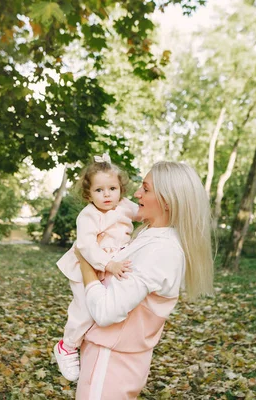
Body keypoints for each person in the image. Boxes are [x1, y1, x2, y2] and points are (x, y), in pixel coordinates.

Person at [74, 161, 214, 399]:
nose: (136, 193)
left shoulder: (160, 250)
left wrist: (85, 263)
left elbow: (107, 312)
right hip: (114, 356)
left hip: (112, 362)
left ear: (167, 200)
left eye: (146, 189)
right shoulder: (149, 235)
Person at [53, 153, 140, 382]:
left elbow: (144, 213)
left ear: (120, 188)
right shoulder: (88, 216)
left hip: (114, 265)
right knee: (84, 309)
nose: (107, 194)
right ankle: (67, 346)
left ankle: (96, 349)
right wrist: (108, 264)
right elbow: (87, 247)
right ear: (88, 193)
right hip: (88, 266)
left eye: (112, 188)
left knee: (108, 309)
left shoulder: (124, 206)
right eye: (99, 190)